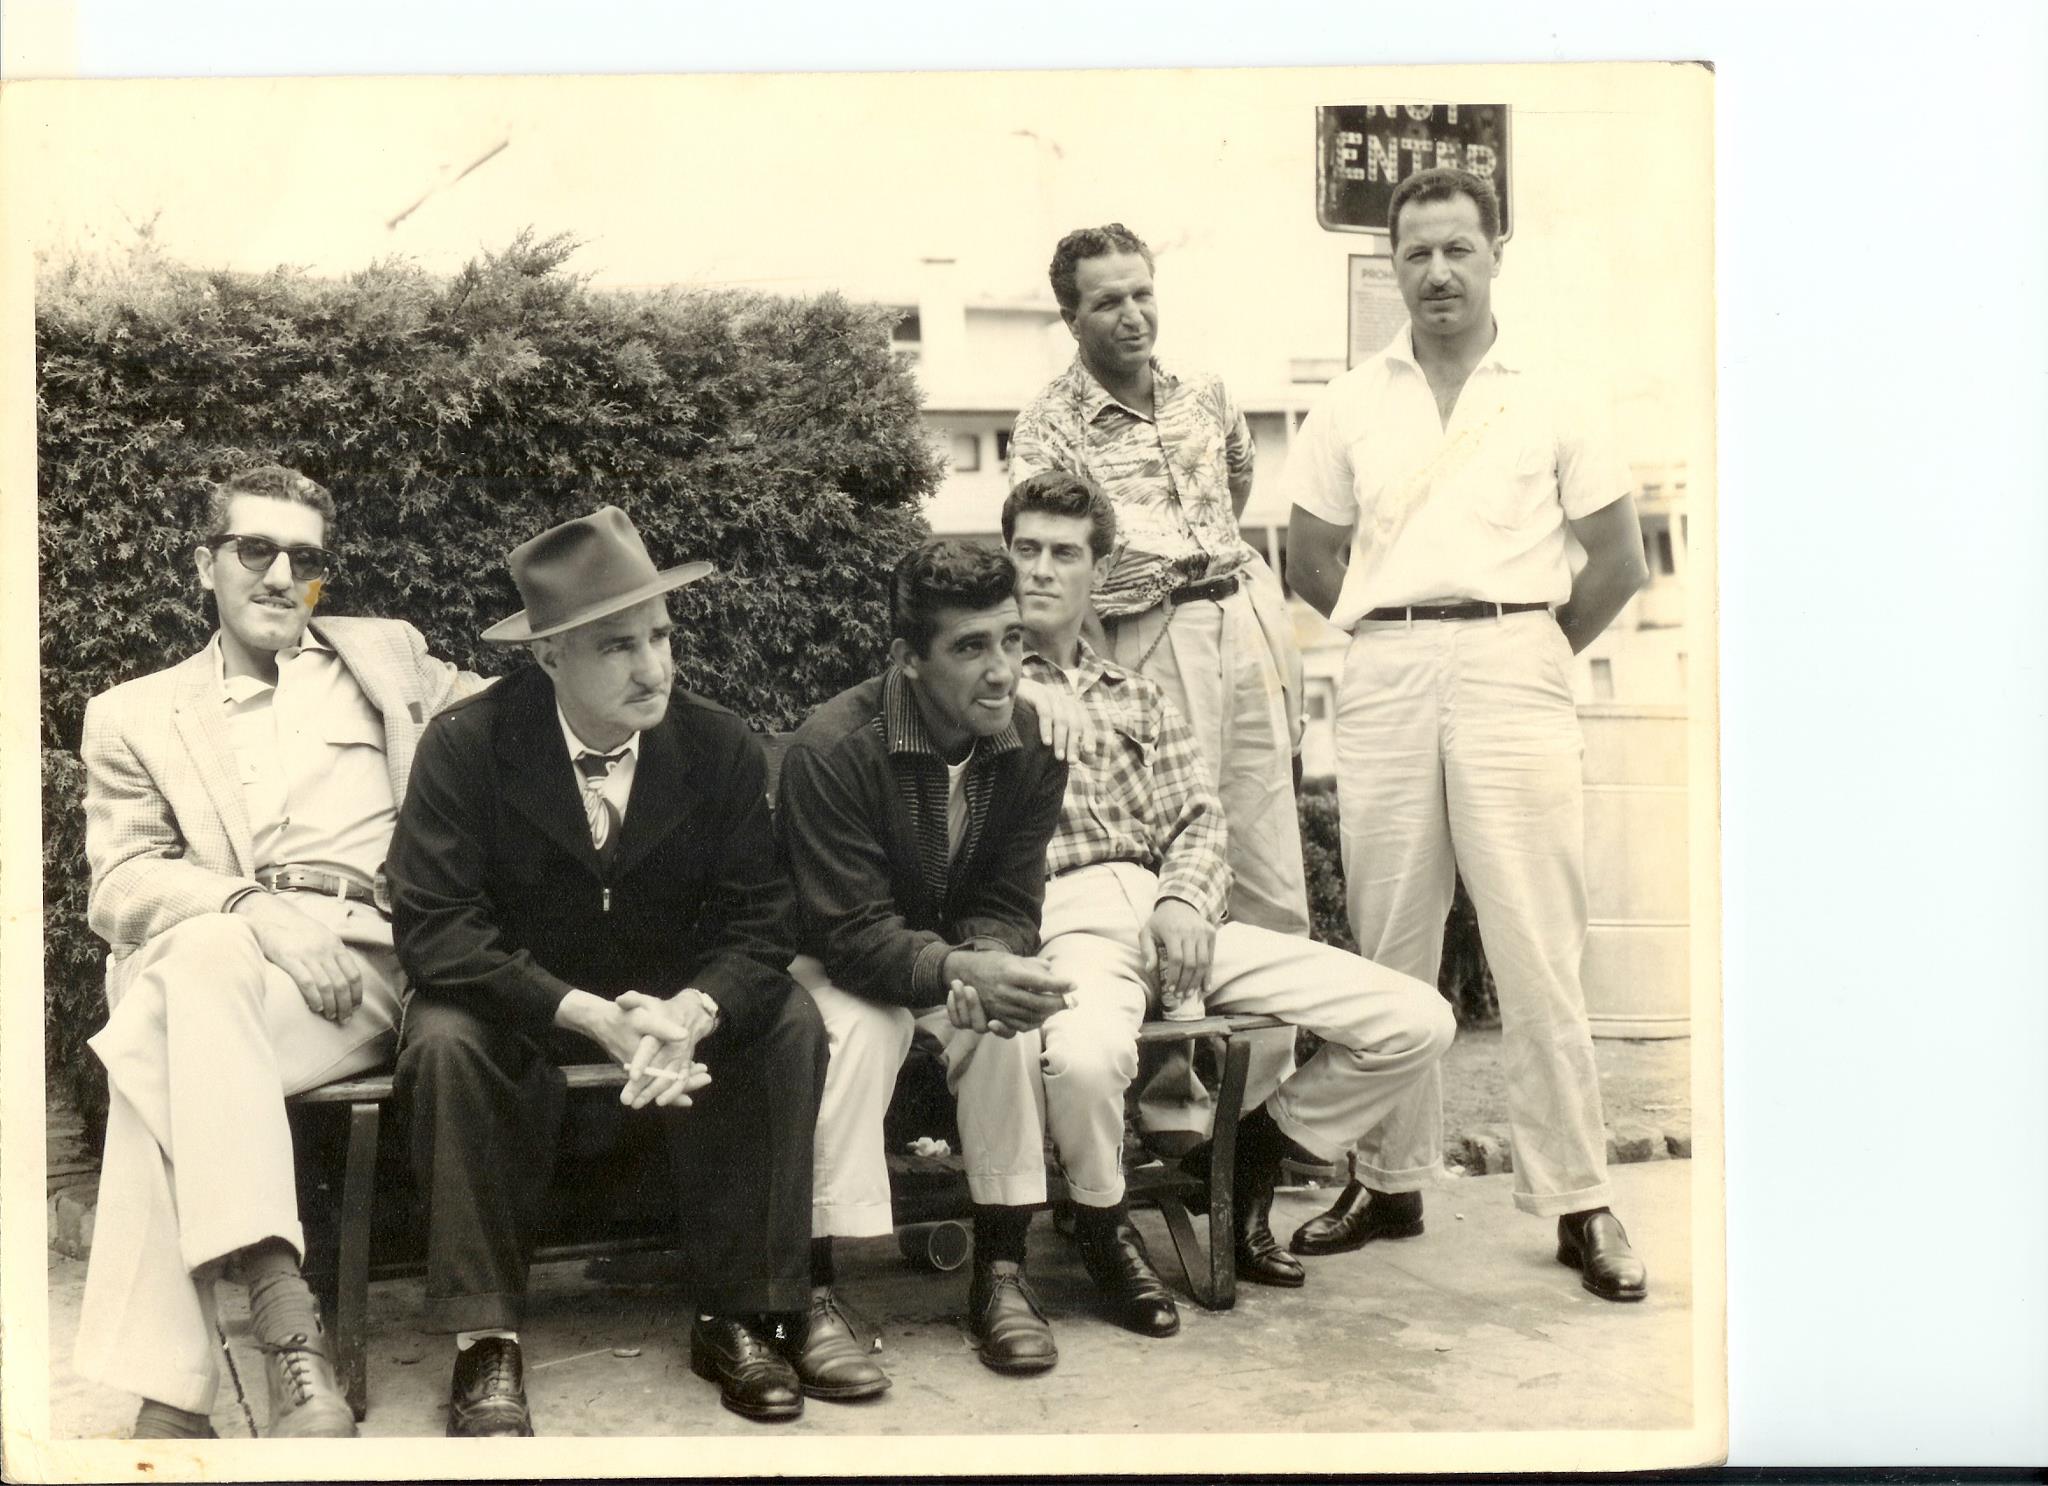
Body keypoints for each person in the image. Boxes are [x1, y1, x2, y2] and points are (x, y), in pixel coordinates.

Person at [1283, 166, 1653, 1302]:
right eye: (1414, 255)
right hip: (1386, 665)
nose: (1436, 272)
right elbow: (1306, 559)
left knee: (1535, 941)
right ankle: (1388, 1181)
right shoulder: (1349, 401)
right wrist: (1398, 621)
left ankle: (1578, 1197)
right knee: (1389, 936)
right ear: (1388, 267)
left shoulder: (1553, 397)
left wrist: (1530, 645)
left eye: (1457, 249)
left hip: (1512, 660)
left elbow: (1618, 560)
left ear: (1494, 254)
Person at [386, 506, 829, 1432]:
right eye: (618, 646)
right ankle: (486, 1342)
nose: (653, 668)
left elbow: (763, 915)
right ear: (548, 656)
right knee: (441, 1038)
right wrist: (584, 1011)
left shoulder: (715, 745)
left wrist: (696, 1009)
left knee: (784, 1015)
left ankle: (738, 1313)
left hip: (671, 1010)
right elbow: (436, 930)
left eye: (661, 637)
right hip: (523, 1008)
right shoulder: (468, 746)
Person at [75, 463, 479, 1439]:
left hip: (370, 974)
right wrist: (259, 909)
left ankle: (180, 1387)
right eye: (254, 549)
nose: (278, 574)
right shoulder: (135, 711)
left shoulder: (389, 657)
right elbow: (120, 885)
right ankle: (289, 1336)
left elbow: (529, 717)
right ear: (205, 563)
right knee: (202, 962)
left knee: (158, 1031)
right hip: (239, 966)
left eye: (304, 557)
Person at [1000, 469, 1456, 1324]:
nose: (1041, 570)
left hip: (1173, 913)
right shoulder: (976, 688)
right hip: (1064, 920)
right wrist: (1013, 691)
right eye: (1025, 550)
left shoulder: (1139, 696)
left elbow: (1200, 822)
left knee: (1416, 1020)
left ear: (1099, 572)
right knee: (1088, 1056)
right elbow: (914, 731)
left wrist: (1182, 902)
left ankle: (1252, 1149)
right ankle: (1103, 1224)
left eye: (1065, 553)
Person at [1011, 221, 1305, 1146]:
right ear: (1072, 316)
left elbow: (1236, 491)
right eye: (1106, 300)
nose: (1131, 314)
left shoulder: (1206, 395)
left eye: (1142, 292)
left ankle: (1256, 1139)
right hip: (1146, 634)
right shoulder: (1050, 423)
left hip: (1242, 616)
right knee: (1162, 864)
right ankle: (1175, 1121)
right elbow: (1053, 557)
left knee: (1265, 871)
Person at [777, 540, 1076, 1377]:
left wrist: (989, 964)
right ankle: (814, 1292)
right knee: (861, 1034)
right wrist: (958, 969)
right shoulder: (833, 749)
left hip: (943, 959)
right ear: (909, 660)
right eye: (971, 647)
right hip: (824, 962)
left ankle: (1003, 1272)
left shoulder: (1031, 744)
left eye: (1012, 640)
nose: (1002, 670)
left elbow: (1014, 904)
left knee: (1007, 1029)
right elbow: (848, 934)